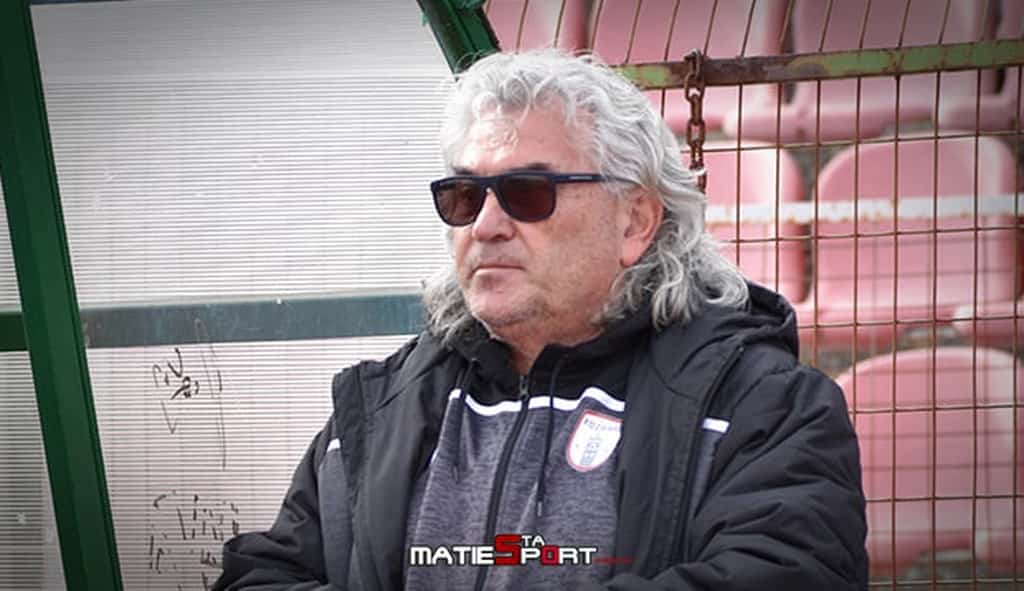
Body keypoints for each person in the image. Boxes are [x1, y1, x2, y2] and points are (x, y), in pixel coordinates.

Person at [213, 50, 868, 590]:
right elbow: (261, 576)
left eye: (528, 193)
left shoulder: (760, 407)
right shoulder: (382, 407)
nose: (486, 226)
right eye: (464, 195)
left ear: (635, 221)